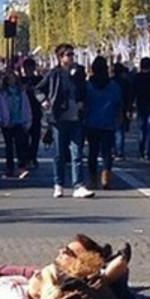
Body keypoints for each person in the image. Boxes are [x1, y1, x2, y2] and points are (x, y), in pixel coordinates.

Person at [36, 44, 88, 198]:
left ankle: (78, 185)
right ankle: (58, 184)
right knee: (59, 154)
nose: (71, 57)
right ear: (60, 57)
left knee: (77, 153)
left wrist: (82, 102)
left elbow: (84, 90)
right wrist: (44, 101)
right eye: (68, 54)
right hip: (58, 118)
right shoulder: (54, 74)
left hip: (76, 117)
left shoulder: (78, 73)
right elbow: (38, 89)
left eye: (72, 54)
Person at [84, 57, 123, 191]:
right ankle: (106, 176)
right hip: (108, 122)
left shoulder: (88, 86)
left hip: (92, 122)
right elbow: (118, 103)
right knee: (107, 152)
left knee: (92, 152)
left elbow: (85, 104)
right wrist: (119, 118)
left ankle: (93, 178)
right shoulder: (113, 86)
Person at [0, 70, 30, 180]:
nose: (12, 80)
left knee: (20, 145)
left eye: (13, 78)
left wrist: (27, 119)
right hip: (7, 122)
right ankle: (9, 168)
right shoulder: (2, 93)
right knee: (9, 146)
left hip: (19, 121)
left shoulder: (21, 92)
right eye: (9, 79)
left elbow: (26, 106)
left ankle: (22, 167)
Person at [20, 58, 44, 169]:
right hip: (23, 112)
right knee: (23, 138)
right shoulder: (20, 80)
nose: (29, 70)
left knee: (35, 137)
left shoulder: (39, 79)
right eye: (27, 68)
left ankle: (32, 157)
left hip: (35, 111)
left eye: (31, 68)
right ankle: (25, 157)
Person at [112, 63, 133, 162]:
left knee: (113, 130)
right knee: (119, 130)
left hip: (111, 107)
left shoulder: (111, 81)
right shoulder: (125, 82)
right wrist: (129, 108)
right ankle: (119, 151)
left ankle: (113, 150)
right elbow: (129, 96)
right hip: (122, 107)